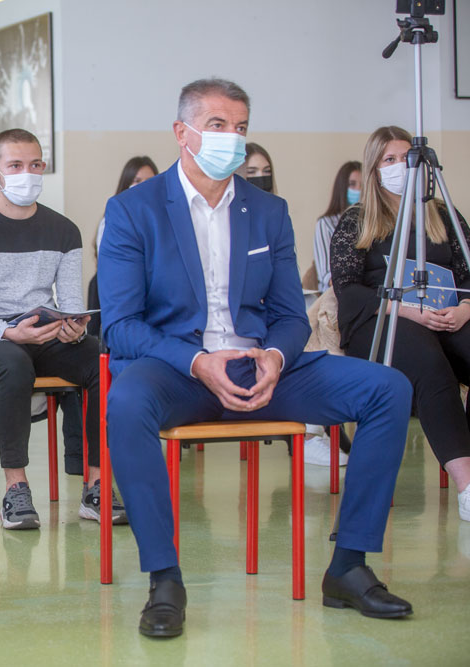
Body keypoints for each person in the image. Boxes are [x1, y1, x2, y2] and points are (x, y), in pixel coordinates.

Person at [99, 79, 414, 639]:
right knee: (125, 401)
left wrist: (273, 356)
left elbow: (293, 315)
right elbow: (120, 325)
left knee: (387, 388)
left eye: (240, 127)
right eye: (217, 125)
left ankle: (349, 567)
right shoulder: (132, 211)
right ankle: (165, 579)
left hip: (260, 369)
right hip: (178, 372)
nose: (233, 137)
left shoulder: (267, 210)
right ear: (182, 133)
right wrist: (199, 362)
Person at [0, 128, 126, 530]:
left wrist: (74, 327)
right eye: (15, 165)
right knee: (13, 364)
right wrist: (9, 332)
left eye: (34, 165)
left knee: (99, 359)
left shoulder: (63, 230)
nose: (26, 174)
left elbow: (70, 301)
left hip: (44, 334)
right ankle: (16, 488)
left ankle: (96, 485)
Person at [331, 125, 470, 523]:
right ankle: (467, 485)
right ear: (374, 169)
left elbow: (468, 274)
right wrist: (406, 309)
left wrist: (465, 308)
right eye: (388, 160)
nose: (398, 167)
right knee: (429, 364)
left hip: (447, 316)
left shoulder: (443, 216)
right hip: (383, 321)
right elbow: (347, 289)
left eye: (405, 159)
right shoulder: (357, 221)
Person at [94, 156, 159, 254]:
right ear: (127, 184)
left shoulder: (162, 216)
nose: (144, 186)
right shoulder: (114, 220)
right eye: (137, 181)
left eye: (149, 181)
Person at [315, 161, 362, 292]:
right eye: (352, 184)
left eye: (363, 185)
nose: (358, 190)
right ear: (342, 187)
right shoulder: (326, 223)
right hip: (336, 293)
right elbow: (326, 275)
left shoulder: (371, 223)